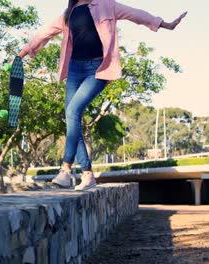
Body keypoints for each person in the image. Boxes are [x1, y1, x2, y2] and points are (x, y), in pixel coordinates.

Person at [18, 0, 186, 191]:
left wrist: (166, 24)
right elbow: (44, 33)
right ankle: (87, 174)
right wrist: (22, 54)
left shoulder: (106, 5)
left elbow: (136, 14)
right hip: (75, 69)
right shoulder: (69, 12)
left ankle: (65, 170)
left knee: (73, 110)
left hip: (98, 69)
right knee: (71, 117)